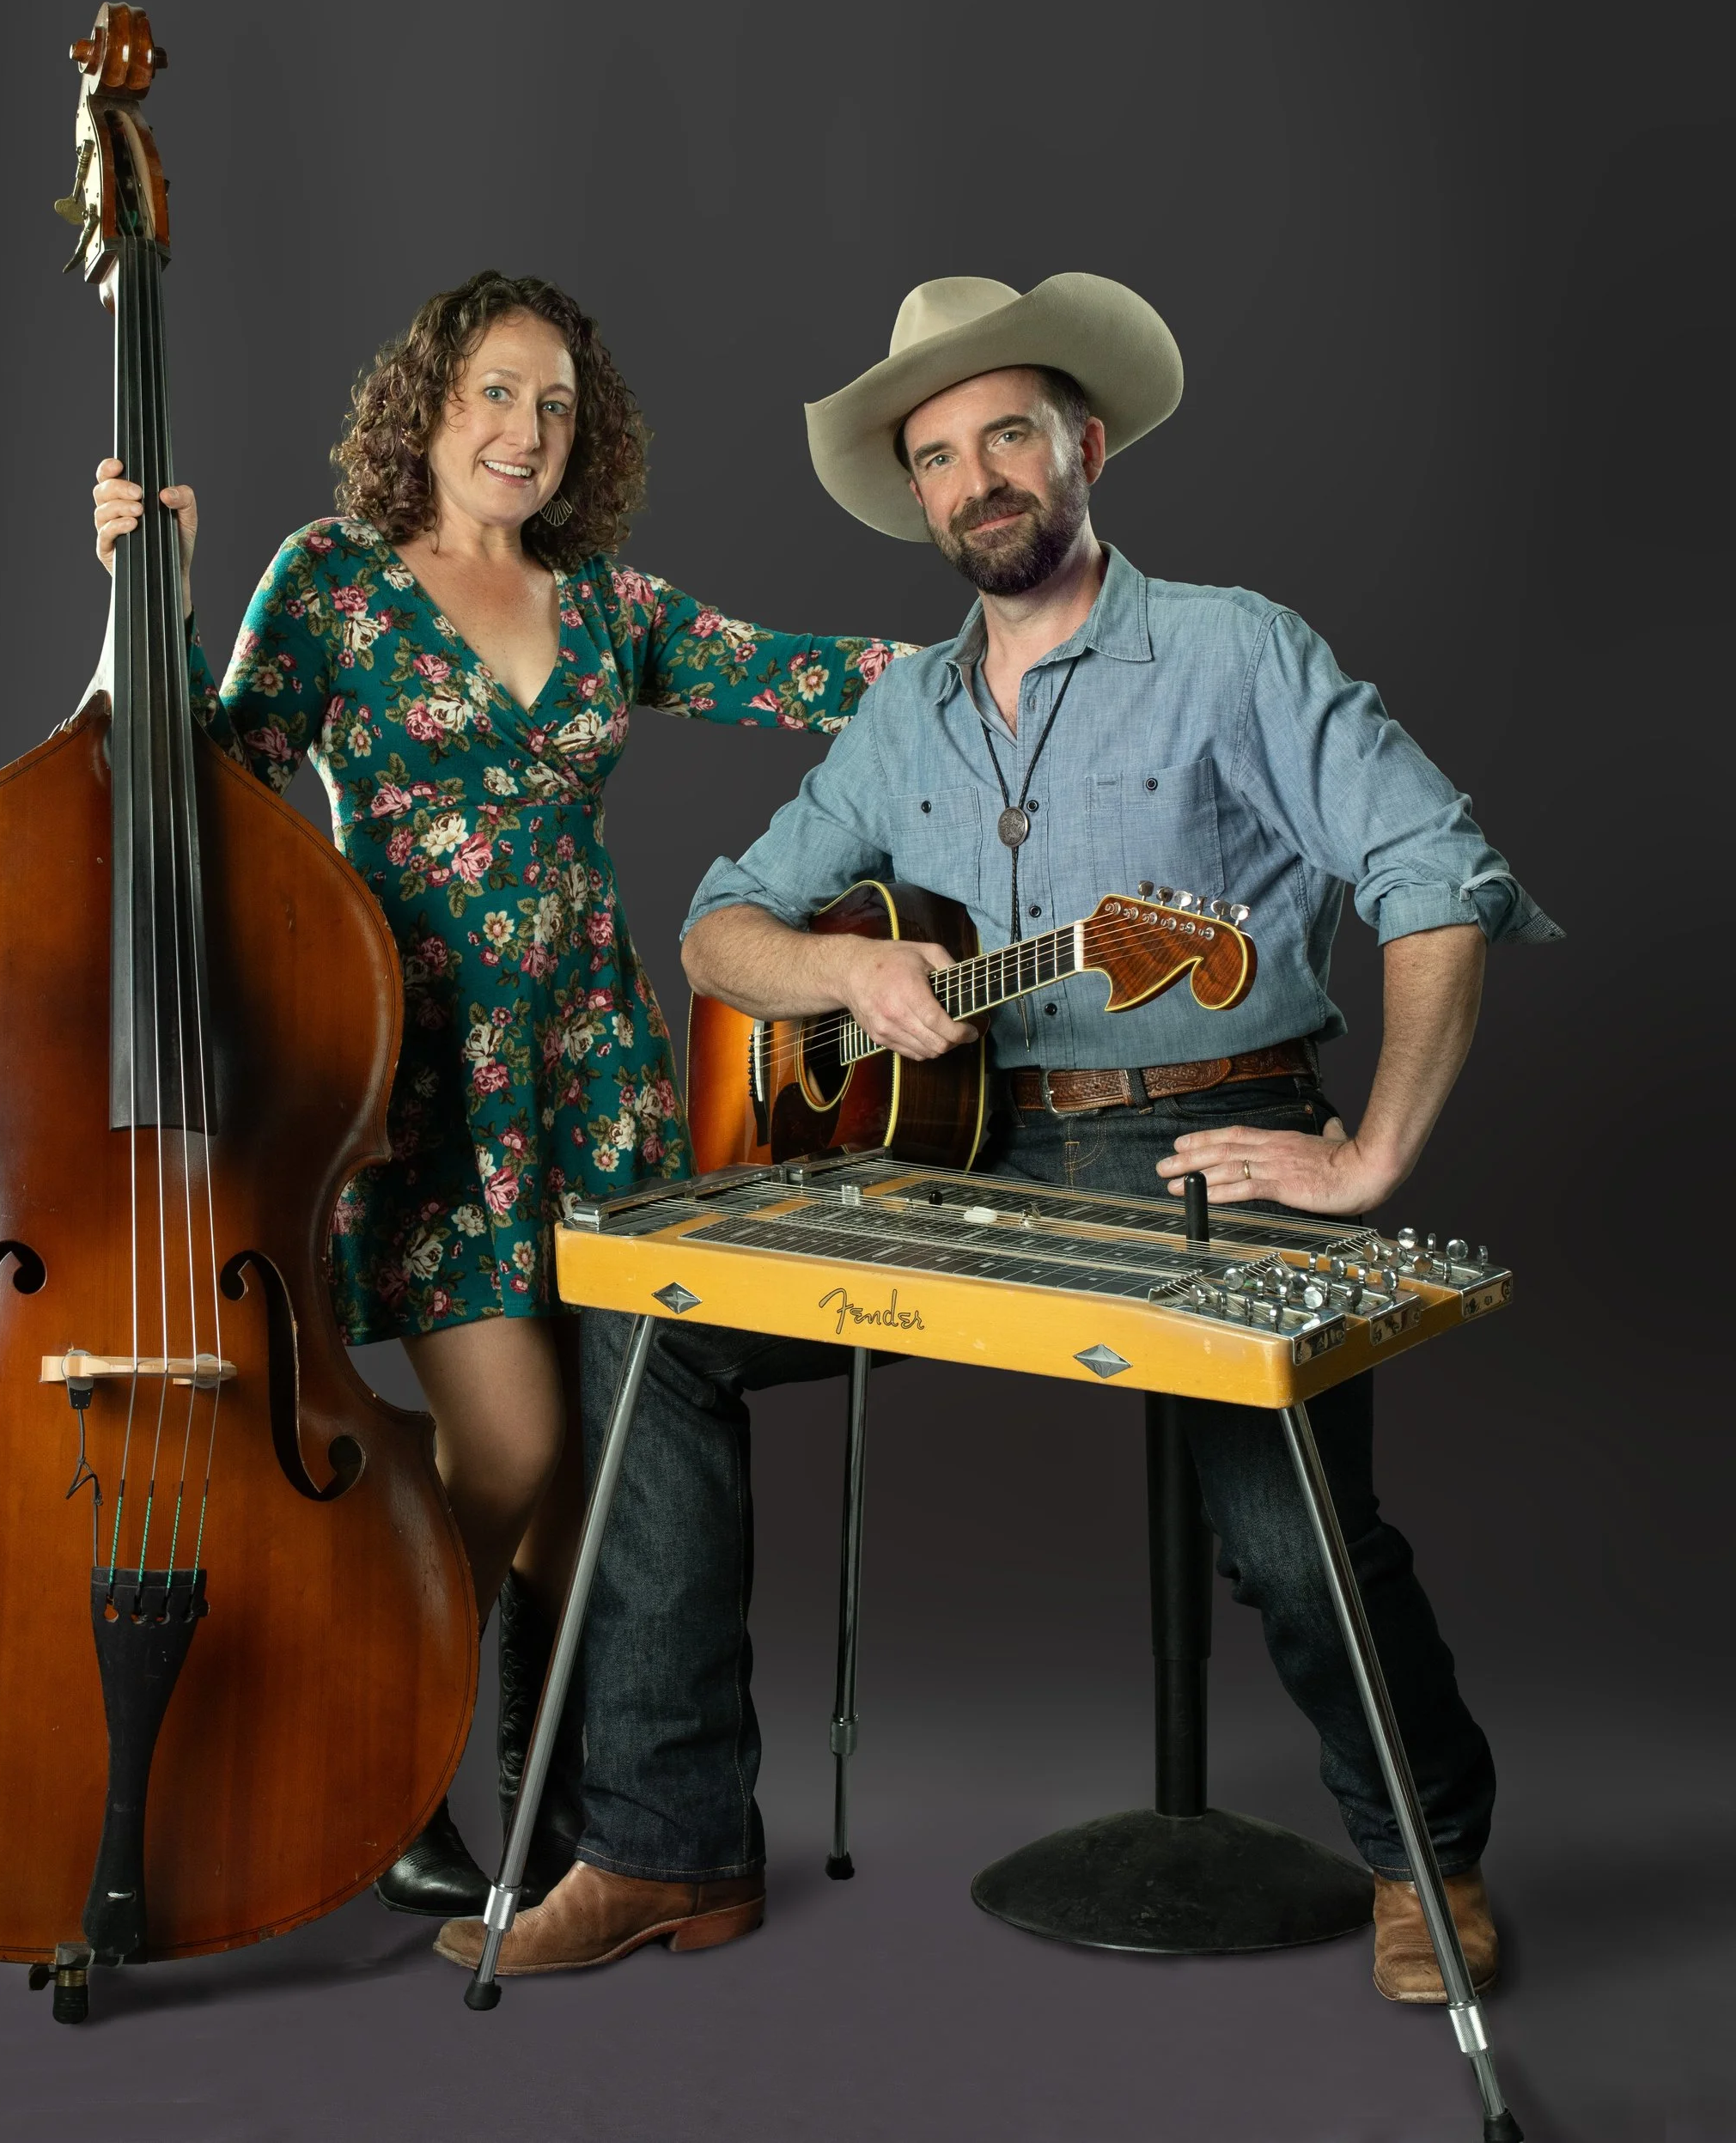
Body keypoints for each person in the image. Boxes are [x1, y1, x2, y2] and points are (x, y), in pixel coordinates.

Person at [436, 272, 1558, 2000]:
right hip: (951, 1155)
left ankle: (1422, 1863)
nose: (977, 479)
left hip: (1209, 1130)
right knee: (650, 1320)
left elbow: (1434, 874)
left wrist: (1369, 1155)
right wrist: (841, 969)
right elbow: (719, 927)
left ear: (1082, 446)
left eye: (1007, 434)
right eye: (938, 456)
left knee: (1286, 1533)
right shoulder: (900, 717)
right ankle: (664, 1848)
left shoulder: (1232, 649)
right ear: (919, 499)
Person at [90, 270, 912, 1915]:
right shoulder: (329, 581)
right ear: (428, 404)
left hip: (595, 1075)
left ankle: (543, 1822)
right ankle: (380, 1733)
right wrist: (143, 591)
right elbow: (214, 772)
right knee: (516, 1440)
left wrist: (1012, 662)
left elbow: (810, 672)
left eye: (556, 407)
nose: (525, 431)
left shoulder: (610, 605)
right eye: (493, 392)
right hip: (429, 1081)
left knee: (592, 1473)